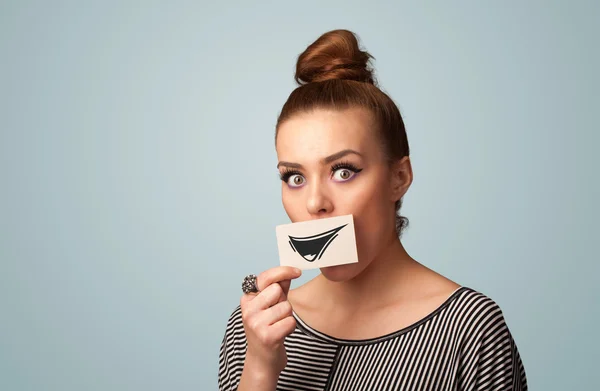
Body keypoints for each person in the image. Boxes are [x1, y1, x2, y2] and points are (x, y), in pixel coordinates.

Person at [218, 29, 528, 391]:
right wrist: (259, 368)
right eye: (295, 177)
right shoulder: (254, 328)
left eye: (343, 171)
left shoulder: (470, 330)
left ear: (399, 177)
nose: (315, 202)